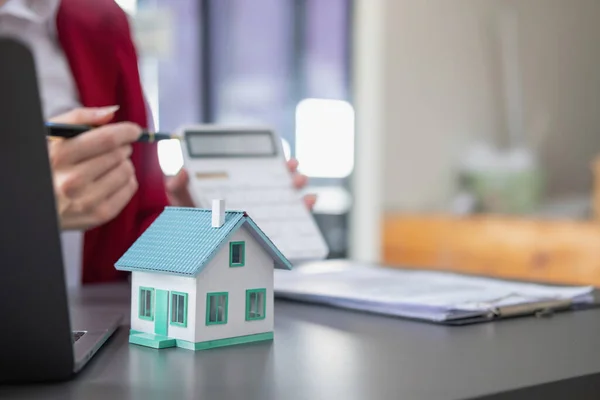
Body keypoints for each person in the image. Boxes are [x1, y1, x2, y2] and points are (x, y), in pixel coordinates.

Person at [0, 0, 315, 284]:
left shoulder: (100, 22)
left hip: (97, 334)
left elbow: (133, 229)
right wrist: (25, 213)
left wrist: (192, 226)